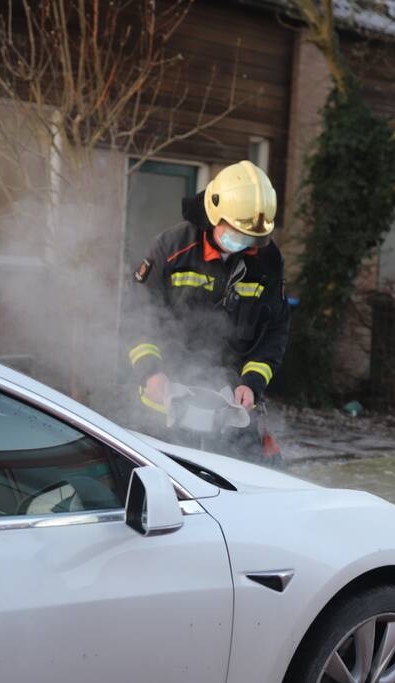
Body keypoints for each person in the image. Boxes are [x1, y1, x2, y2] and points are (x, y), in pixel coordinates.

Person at [122, 160, 289, 461]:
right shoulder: (172, 248)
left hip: (233, 409)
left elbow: (274, 330)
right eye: (237, 230)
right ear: (215, 213)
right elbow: (136, 314)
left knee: (243, 486)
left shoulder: (267, 261)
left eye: (251, 234)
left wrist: (252, 383)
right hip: (164, 406)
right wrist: (151, 372)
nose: (244, 241)